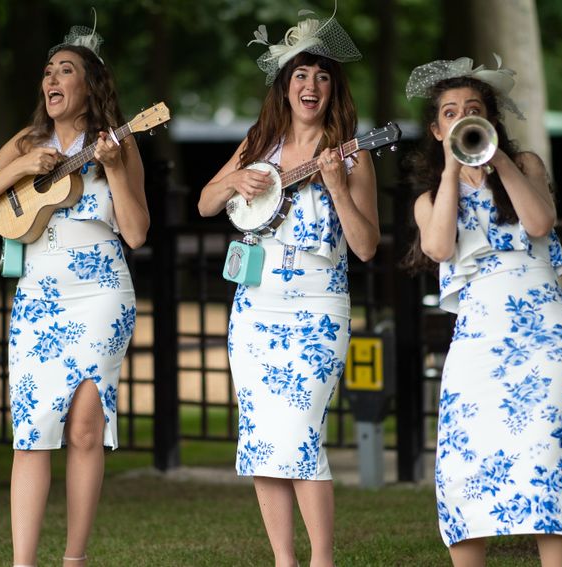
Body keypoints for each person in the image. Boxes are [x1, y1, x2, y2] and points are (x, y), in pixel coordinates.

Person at [0, 21, 148, 567]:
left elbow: (136, 232)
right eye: (48, 71)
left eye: (67, 70)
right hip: (38, 293)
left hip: (102, 290)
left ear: (92, 87)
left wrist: (116, 169)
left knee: (85, 429)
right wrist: (19, 166)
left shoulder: (119, 143)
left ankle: (74, 559)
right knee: (32, 429)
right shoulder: (26, 141)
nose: (52, 79)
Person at [198, 9, 379, 567]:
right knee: (259, 439)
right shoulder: (261, 141)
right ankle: (285, 560)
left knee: (300, 434)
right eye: (301, 75)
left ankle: (321, 560)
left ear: (334, 88)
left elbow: (368, 245)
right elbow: (205, 203)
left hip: (319, 307)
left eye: (322, 76)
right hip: (254, 306)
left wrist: (336, 186)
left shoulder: (352, 152)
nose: (311, 85)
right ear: (284, 85)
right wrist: (234, 178)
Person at [402, 55, 562, 567]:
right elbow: (439, 247)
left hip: (547, 332)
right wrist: (452, 171)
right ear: (437, 127)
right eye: (450, 111)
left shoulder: (524, 165)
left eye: (474, 109)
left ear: (490, 119)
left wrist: (498, 161)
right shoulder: (429, 197)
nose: (462, 116)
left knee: (544, 464)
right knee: (460, 463)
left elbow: (540, 222)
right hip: (479, 337)